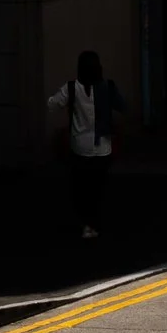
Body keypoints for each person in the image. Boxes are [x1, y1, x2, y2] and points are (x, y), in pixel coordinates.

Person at [47, 52, 127, 239]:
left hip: (79, 147)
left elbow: (52, 104)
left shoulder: (71, 88)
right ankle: (95, 223)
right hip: (102, 146)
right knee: (98, 187)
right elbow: (123, 106)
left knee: (81, 187)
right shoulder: (108, 87)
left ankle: (86, 223)